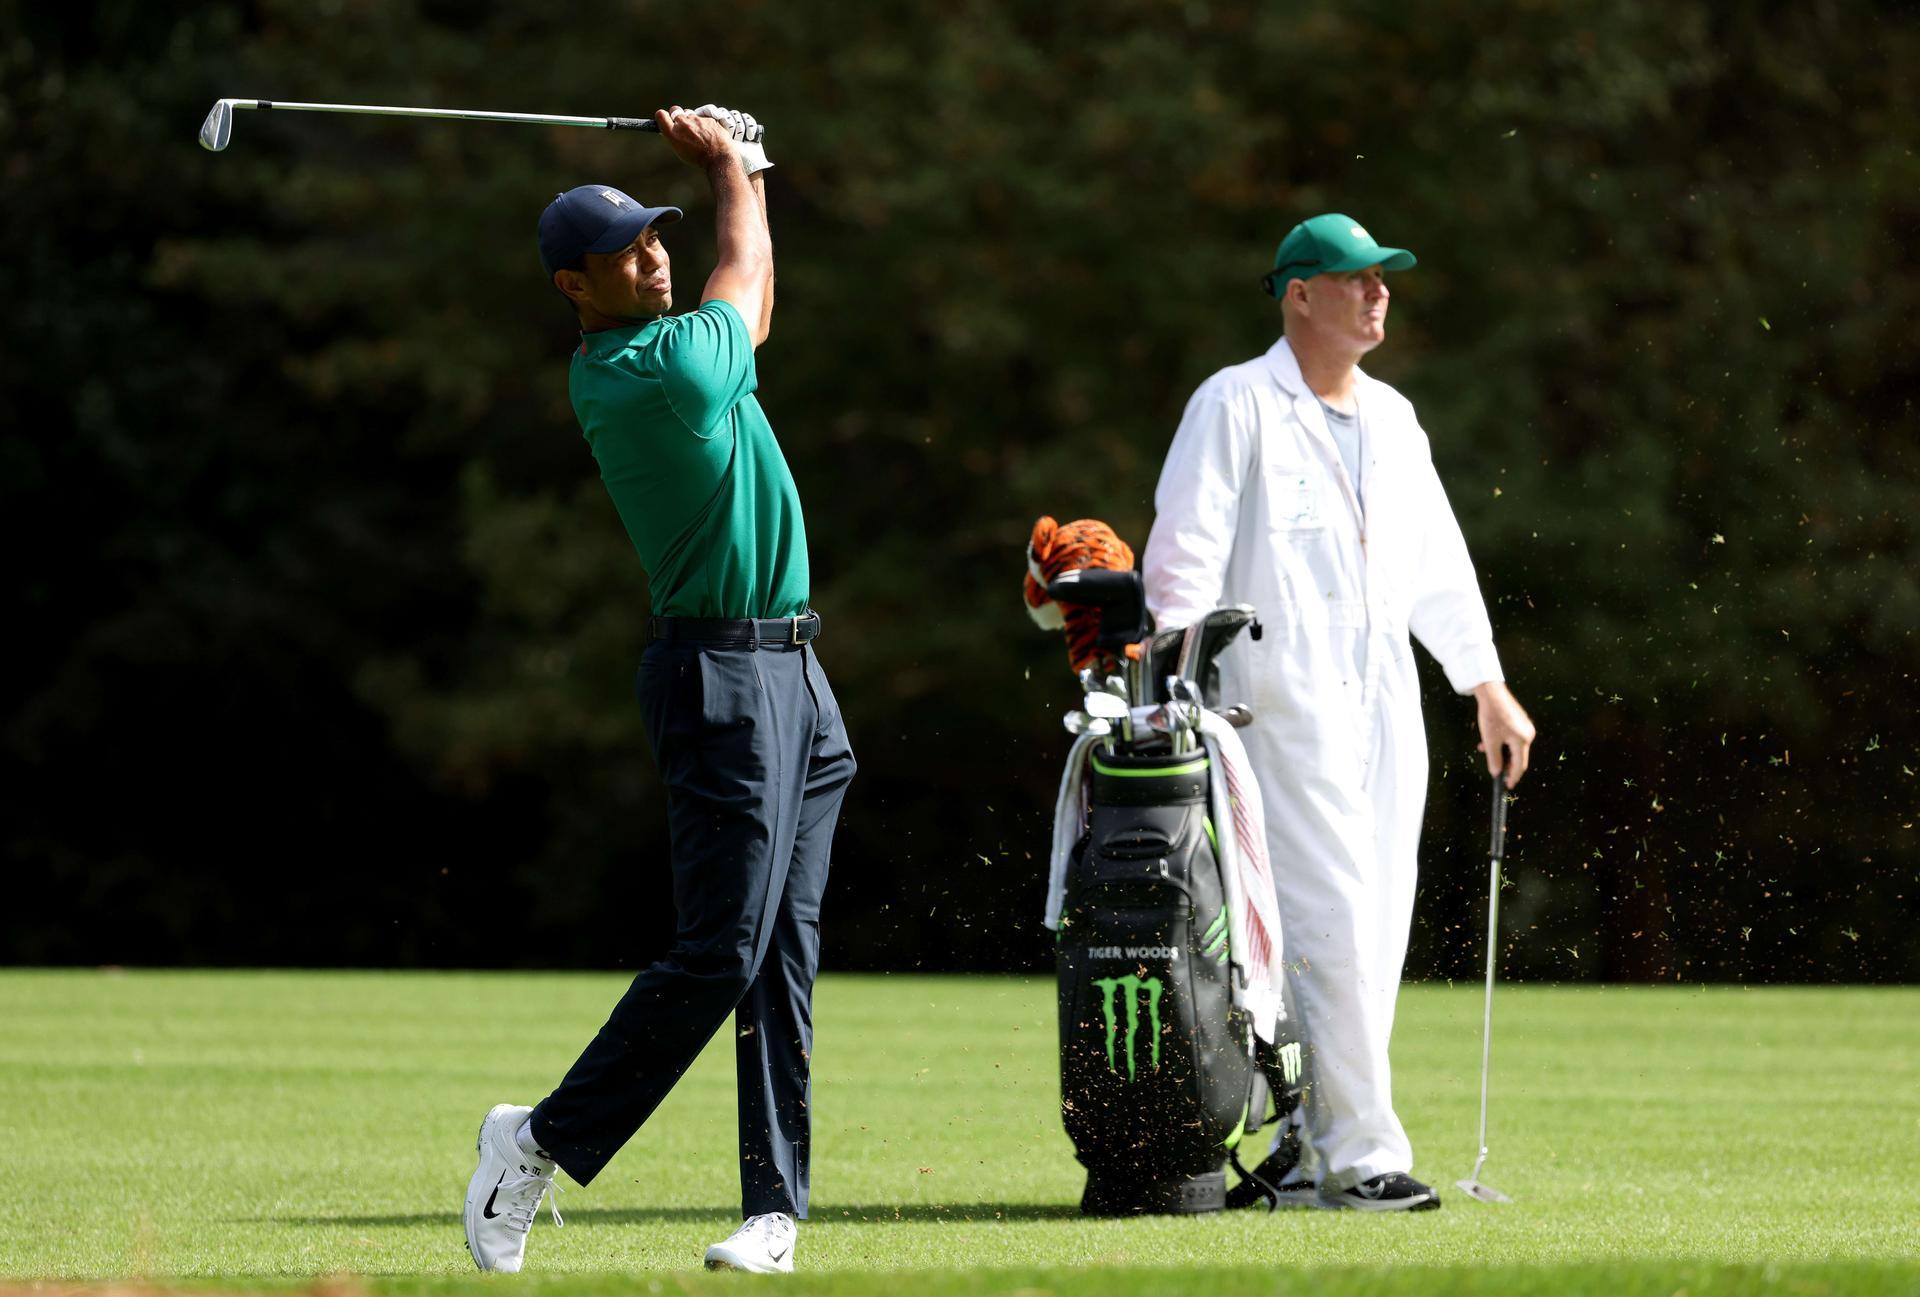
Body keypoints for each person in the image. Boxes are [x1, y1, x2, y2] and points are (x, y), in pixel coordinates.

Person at [462, 104, 855, 1275]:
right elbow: (742, 277)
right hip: (718, 674)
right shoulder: (640, 373)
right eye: (628, 250)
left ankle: (772, 1208)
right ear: (574, 289)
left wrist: (758, 173)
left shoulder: (692, 348)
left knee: (782, 950)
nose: (654, 256)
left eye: (658, 236)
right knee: (720, 951)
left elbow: (756, 294)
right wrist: (735, 165)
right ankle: (535, 1141)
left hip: (795, 673)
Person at [1143, 213, 1534, 1212]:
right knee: (1330, 926)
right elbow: (1184, 555)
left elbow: (1436, 565)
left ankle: (1313, 1144)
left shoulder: (1397, 419)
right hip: (1276, 707)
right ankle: (1362, 1158)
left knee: (1378, 925)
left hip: (1385, 706)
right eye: (1353, 277)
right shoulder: (1235, 403)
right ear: (1298, 294)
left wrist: (1483, 682)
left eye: (1384, 277)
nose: (1377, 292)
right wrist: (1178, 676)